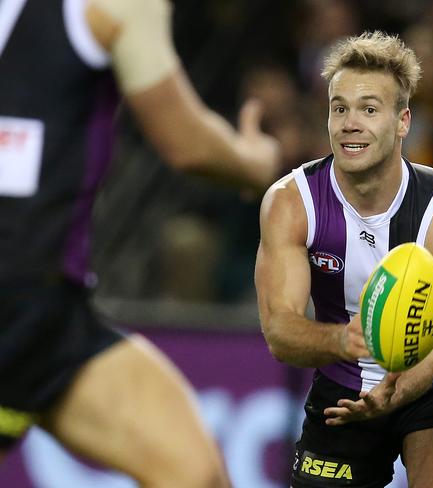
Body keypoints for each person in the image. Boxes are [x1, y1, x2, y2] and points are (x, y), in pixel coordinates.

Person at [0, 0, 281, 486]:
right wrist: (254, 163)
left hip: (44, 320)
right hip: (21, 302)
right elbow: (187, 143)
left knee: (194, 475)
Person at [256, 31, 433, 488]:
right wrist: (345, 344)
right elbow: (280, 332)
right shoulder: (291, 202)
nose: (350, 122)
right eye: (339, 108)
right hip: (342, 386)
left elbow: (432, 348)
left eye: (368, 109)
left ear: (403, 122)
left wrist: (395, 391)